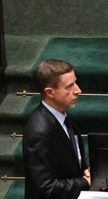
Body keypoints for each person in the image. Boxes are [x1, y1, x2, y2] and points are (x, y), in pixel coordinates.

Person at [24, 59, 89, 199]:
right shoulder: (39, 132)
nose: (78, 90)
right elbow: (46, 188)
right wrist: (85, 182)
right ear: (50, 92)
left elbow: (71, 154)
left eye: (75, 82)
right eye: (69, 86)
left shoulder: (60, 116)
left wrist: (87, 168)